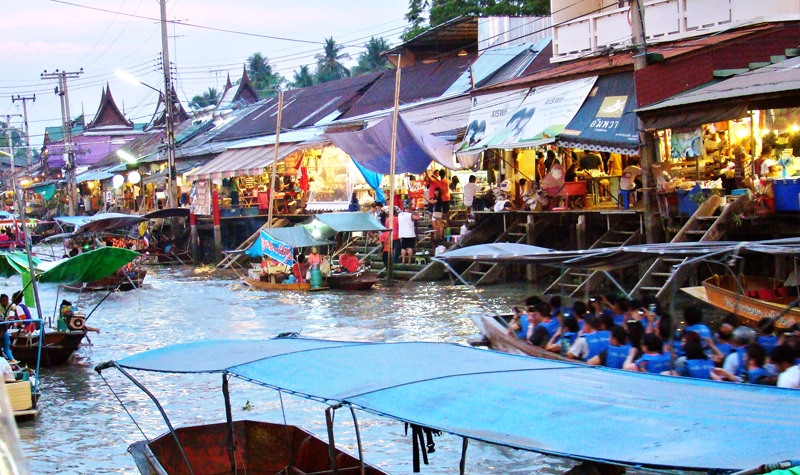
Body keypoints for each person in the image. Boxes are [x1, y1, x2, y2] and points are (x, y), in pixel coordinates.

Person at [0, 294, 15, 363]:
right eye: (4, 301)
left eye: (6, 301)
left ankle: (12, 359)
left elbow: (15, 309)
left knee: (6, 345)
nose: (5, 302)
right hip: (2, 326)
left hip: (4, 327)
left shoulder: (9, 304)